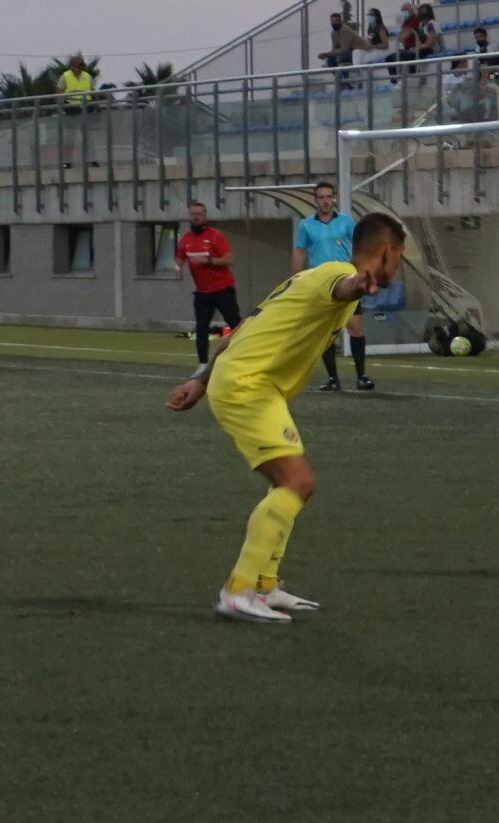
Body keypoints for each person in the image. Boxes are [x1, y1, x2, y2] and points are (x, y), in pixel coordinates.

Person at [165, 214, 406, 623]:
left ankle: (263, 585)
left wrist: (201, 381)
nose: (396, 267)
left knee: (293, 485)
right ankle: (237, 591)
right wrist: (355, 286)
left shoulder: (308, 279)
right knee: (297, 481)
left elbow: (244, 327)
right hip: (247, 385)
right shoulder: (338, 276)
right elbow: (342, 288)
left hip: (254, 384)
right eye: (398, 258)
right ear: (388, 251)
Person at [292, 182, 374, 392]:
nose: (326, 201)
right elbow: (300, 252)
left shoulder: (346, 222)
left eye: (329, 196)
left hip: (347, 281)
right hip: (321, 285)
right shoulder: (306, 225)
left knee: (355, 327)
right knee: (325, 333)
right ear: (315, 200)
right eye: (321, 197)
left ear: (334, 198)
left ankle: (361, 376)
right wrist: (296, 278)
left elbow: (358, 247)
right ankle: (333, 379)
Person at [175, 202, 242, 365]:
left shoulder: (215, 236)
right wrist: (177, 267)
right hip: (202, 293)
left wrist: (208, 260)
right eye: (193, 214)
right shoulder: (185, 239)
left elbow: (229, 259)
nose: (196, 217)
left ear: (205, 216)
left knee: (237, 326)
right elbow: (180, 258)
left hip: (223, 289)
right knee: (201, 329)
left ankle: (242, 358)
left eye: (199, 214)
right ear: (189, 216)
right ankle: (202, 365)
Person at [55, 54, 97, 169]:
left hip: (86, 108)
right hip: (71, 109)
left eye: (82, 66)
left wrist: (95, 106)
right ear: (72, 66)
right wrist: (61, 107)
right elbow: (59, 92)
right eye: (79, 65)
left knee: (88, 137)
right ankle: (67, 162)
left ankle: (92, 160)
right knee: (70, 138)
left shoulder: (88, 77)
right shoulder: (65, 76)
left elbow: (93, 93)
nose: (80, 68)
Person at [317, 12, 367, 88]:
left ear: (340, 21)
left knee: (342, 57)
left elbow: (345, 48)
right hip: (349, 52)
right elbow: (334, 49)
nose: (334, 23)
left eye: (336, 20)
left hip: (359, 51)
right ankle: (343, 84)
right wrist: (327, 55)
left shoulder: (345, 30)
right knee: (330, 60)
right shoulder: (334, 33)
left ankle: (349, 83)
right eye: (332, 21)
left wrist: (327, 54)